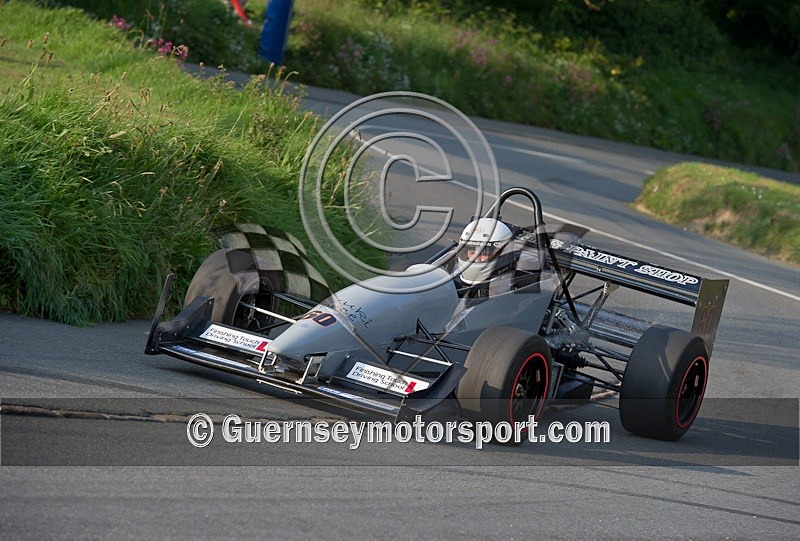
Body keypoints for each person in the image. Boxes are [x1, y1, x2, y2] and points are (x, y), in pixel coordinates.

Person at [454, 217, 517, 296]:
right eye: (472, 252)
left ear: (503, 254)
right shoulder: (452, 279)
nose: (476, 258)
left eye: (483, 253)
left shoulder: (521, 288)